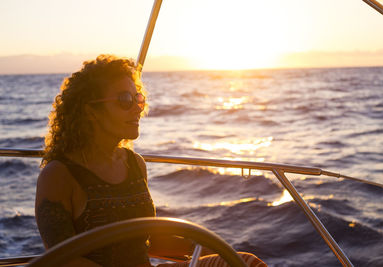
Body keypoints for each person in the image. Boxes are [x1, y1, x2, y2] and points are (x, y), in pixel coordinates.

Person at [35, 54, 267, 267]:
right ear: (91, 110)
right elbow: (61, 260)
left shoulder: (134, 164)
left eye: (138, 98)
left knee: (246, 263)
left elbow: (147, 239)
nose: (137, 108)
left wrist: (206, 249)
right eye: (125, 99)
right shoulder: (59, 176)